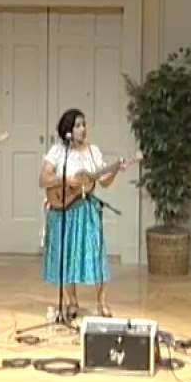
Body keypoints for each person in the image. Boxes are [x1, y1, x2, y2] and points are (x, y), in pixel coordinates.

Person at [39, 108, 128, 318]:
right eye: (78, 125)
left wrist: (114, 169)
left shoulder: (93, 151)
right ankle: (71, 301)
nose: (83, 129)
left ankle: (102, 302)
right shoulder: (58, 151)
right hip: (63, 209)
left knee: (96, 254)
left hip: (86, 209)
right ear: (68, 129)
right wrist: (66, 180)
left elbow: (104, 182)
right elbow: (43, 180)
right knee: (66, 255)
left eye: (84, 125)